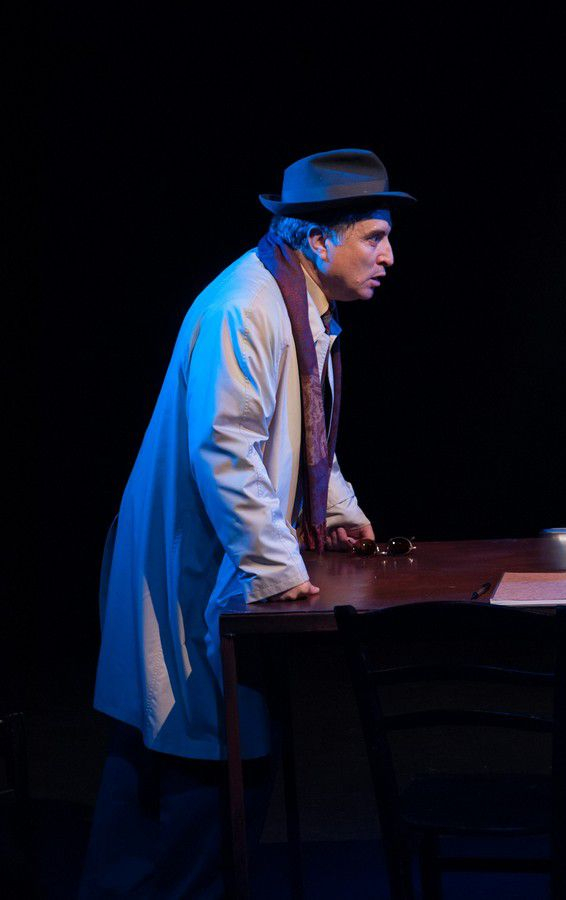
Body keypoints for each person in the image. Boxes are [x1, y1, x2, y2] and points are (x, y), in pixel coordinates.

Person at [79, 148, 416, 897]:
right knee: (192, 773)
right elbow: (227, 448)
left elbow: (300, 434)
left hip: (220, 565)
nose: (389, 256)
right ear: (317, 239)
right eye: (374, 236)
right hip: (193, 568)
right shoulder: (247, 307)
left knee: (182, 761)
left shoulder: (294, 304)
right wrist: (275, 567)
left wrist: (338, 512)